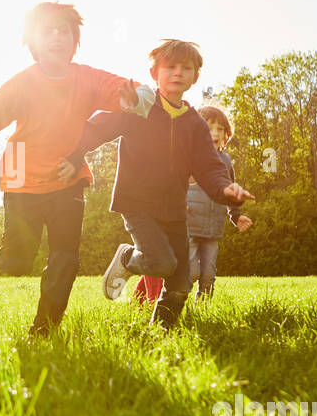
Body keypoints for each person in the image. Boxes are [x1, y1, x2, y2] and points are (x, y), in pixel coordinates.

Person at [0, 1, 154, 336]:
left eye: (63, 30)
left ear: (74, 39)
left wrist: (135, 99)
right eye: (47, 30)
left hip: (68, 180)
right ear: (32, 41)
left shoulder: (88, 78)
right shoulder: (22, 84)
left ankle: (44, 328)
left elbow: (138, 92)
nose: (56, 37)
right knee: (17, 262)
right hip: (21, 179)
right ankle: (12, 248)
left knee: (66, 258)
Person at [59, 39, 253, 329]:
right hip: (137, 203)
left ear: (195, 77)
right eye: (169, 67)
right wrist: (74, 155)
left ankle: (160, 333)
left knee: (182, 284)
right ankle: (127, 258)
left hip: (174, 210)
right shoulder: (141, 106)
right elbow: (99, 127)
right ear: (154, 73)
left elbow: (209, 167)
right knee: (162, 263)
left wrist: (226, 190)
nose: (177, 73)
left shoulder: (195, 125)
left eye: (185, 68)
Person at [187, 104, 253, 298]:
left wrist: (236, 216)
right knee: (192, 273)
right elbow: (174, 184)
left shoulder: (225, 161)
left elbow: (230, 191)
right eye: (208, 128)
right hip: (188, 226)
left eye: (220, 129)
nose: (214, 133)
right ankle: (177, 305)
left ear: (226, 133)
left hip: (213, 228)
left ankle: (204, 313)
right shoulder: (189, 158)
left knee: (208, 276)